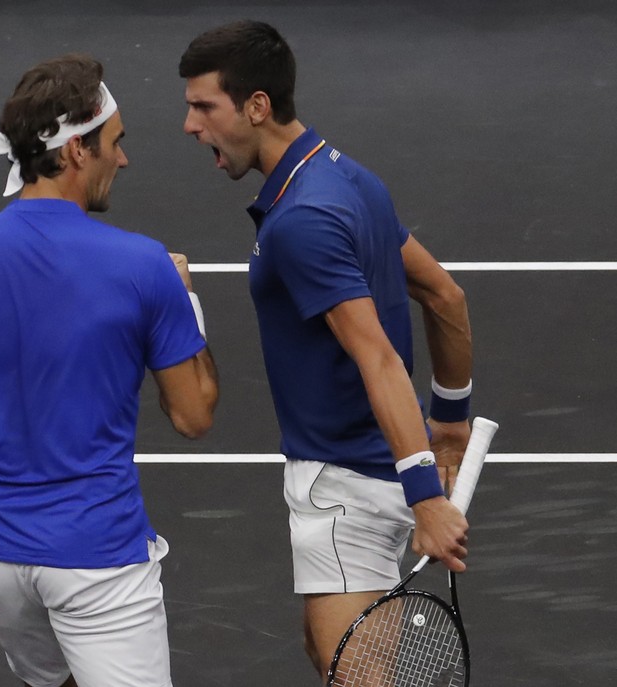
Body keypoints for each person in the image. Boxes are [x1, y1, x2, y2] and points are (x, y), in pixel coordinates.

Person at [0, 54, 218, 687]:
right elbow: (194, 416)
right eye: (116, 143)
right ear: (77, 151)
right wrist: (186, 299)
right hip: (97, 557)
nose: (124, 160)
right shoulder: (143, 265)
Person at [179, 21, 473, 681]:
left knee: (354, 673)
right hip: (371, 473)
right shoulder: (348, 180)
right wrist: (450, 422)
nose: (189, 125)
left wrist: (426, 494)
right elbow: (444, 296)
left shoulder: (301, 222)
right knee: (328, 654)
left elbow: (376, 356)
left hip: (344, 489)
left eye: (203, 106)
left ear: (256, 105)